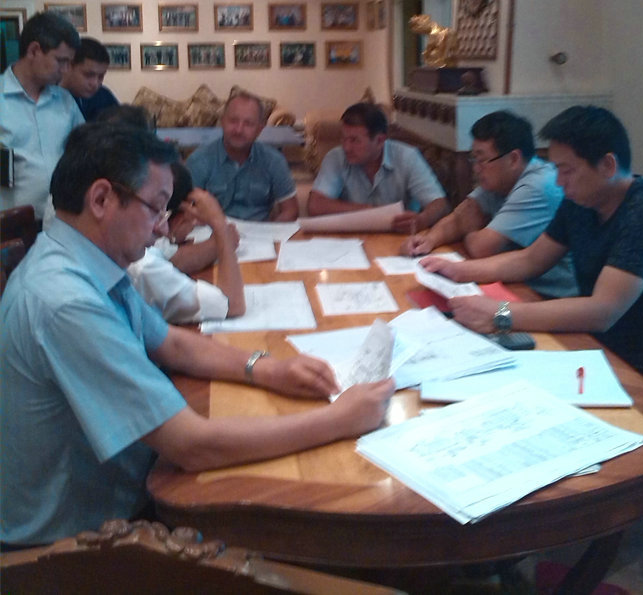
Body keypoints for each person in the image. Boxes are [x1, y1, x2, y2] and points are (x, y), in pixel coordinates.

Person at [0, 122, 394, 547]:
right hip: (78, 541)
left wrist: (266, 368)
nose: (162, 229)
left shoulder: (86, 260)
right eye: (156, 209)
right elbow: (190, 446)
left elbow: (169, 341)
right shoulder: (66, 301)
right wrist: (340, 419)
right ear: (100, 199)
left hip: (115, 493)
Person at [420, 106, 643, 375]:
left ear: (607, 165)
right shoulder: (581, 202)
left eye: (567, 171)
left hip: (634, 365)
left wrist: (500, 313)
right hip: (591, 343)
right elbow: (530, 259)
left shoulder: (641, 210)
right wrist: (458, 270)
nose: (559, 182)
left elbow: (602, 310)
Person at [402, 110, 577, 298]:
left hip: (546, 296)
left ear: (513, 159)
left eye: (482, 159)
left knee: (495, 312)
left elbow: (482, 248)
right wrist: (429, 240)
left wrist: (470, 231)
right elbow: (459, 218)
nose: (476, 168)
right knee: (437, 301)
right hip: (514, 282)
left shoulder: (539, 185)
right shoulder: (499, 180)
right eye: (474, 159)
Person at [127, 162, 246, 323]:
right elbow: (232, 305)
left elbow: (172, 257)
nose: (162, 230)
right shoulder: (145, 266)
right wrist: (219, 225)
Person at [307, 102, 449, 233]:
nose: (346, 147)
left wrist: (422, 220)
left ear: (380, 140)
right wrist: (372, 212)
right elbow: (316, 205)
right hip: (350, 237)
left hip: (398, 237)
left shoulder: (407, 157)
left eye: (354, 140)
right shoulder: (336, 157)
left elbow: (440, 204)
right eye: (343, 138)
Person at [0, 11, 83, 219]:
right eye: (61, 61)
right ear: (34, 51)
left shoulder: (65, 101)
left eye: (69, 62)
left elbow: (83, 152)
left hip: (58, 220)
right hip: (9, 224)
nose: (65, 70)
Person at [187, 92, 299, 221]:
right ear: (222, 122)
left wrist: (271, 231)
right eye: (233, 121)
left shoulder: (274, 161)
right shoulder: (198, 160)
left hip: (260, 230)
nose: (239, 130)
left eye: (248, 124)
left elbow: (291, 210)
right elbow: (186, 211)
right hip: (212, 230)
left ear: (259, 129)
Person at [60, 37, 119, 121]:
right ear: (68, 66)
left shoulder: (103, 96)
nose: (95, 83)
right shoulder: (49, 97)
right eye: (88, 75)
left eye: (101, 76)